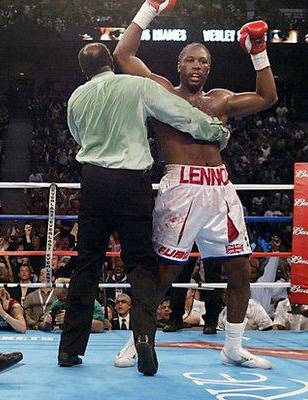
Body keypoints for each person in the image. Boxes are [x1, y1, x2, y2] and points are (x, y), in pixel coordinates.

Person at [112, 0, 278, 372]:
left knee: (239, 268)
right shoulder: (160, 92)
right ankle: (137, 341)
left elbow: (267, 98)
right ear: (179, 64)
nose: (198, 66)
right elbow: (122, 54)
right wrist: (149, 8)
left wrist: (259, 53)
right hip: (180, 189)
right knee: (164, 273)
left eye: (204, 61)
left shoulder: (219, 100)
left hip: (221, 190)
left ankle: (233, 347)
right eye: (191, 60)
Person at [58, 41, 230, 375]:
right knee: (140, 264)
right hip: (131, 183)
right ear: (111, 61)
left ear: (84, 70)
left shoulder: (77, 97)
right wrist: (215, 131)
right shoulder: (136, 85)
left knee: (87, 265)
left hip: (93, 181)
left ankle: (69, 350)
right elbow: (180, 114)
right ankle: (144, 341)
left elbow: (78, 136)